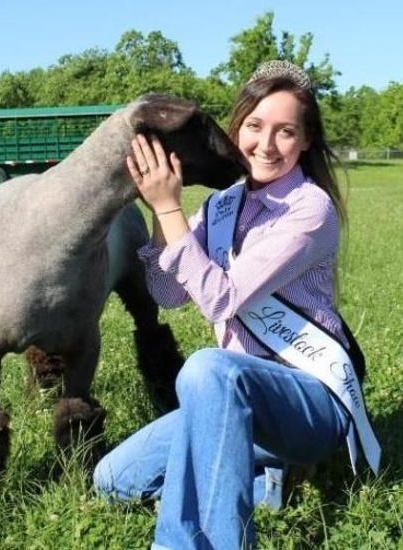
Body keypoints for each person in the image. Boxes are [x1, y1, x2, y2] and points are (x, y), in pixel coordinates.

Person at [93, 60, 381, 550]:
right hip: (224, 401)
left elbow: (220, 299)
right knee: (114, 479)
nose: (266, 145)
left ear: (306, 140)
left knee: (207, 369)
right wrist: (164, 211)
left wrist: (167, 208)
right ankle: (264, 478)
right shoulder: (221, 205)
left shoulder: (309, 209)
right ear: (237, 127)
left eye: (285, 131)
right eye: (254, 126)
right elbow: (169, 294)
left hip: (306, 401)